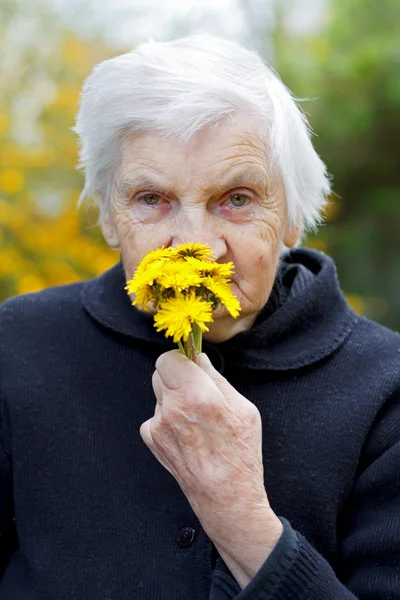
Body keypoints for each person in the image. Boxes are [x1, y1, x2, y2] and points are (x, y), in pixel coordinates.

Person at [0, 32, 399, 600]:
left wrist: (238, 513)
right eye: (151, 199)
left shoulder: (387, 388)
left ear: (291, 216)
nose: (196, 247)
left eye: (236, 199)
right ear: (110, 218)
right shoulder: (18, 344)